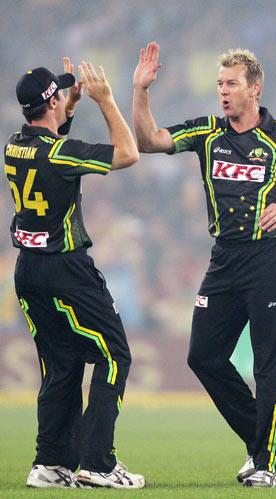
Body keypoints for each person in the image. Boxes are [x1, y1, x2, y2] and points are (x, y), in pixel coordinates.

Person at [132, 42, 276, 488]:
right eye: (219, 84)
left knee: (273, 363)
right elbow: (147, 141)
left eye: (232, 84)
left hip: (270, 256)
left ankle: (271, 464)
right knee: (204, 355)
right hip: (225, 258)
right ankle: (264, 434)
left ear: (255, 88)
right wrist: (140, 91)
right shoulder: (208, 132)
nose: (223, 92)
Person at [6, 59, 144, 489]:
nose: (67, 97)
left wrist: (69, 107)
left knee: (61, 365)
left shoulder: (14, 144)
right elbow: (128, 153)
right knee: (113, 355)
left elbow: (49, 142)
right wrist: (104, 100)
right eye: (61, 94)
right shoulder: (58, 152)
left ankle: (51, 462)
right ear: (50, 102)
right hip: (66, 267)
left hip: (28, 270)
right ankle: (98, 463)